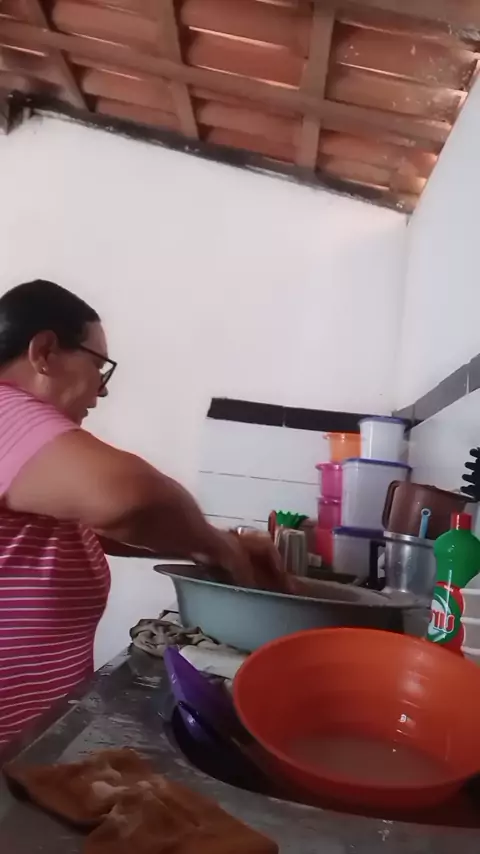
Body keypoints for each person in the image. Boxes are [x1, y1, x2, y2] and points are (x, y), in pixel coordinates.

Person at [0, 279, 284, 748]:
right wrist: (217, 546)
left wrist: (207, 542)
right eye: (98, 366)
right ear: (44, 352)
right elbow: (130, 498)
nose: (102, 391)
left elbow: (91, 526)